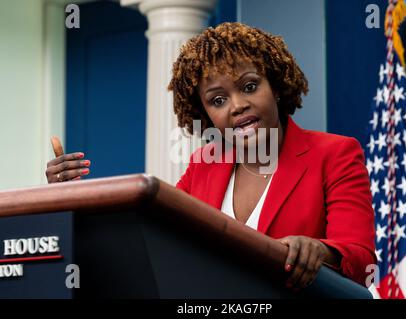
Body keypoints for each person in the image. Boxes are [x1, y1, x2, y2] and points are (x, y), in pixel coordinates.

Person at [45, 22, 376, 292]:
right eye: (218, 100)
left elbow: (362, 262)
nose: (237, 106)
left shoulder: (334, 153)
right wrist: (72, 197)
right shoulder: (203, 165)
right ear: (205, 113)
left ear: (275, 86)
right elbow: (153, 242)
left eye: (249, 87)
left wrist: (320, 250)